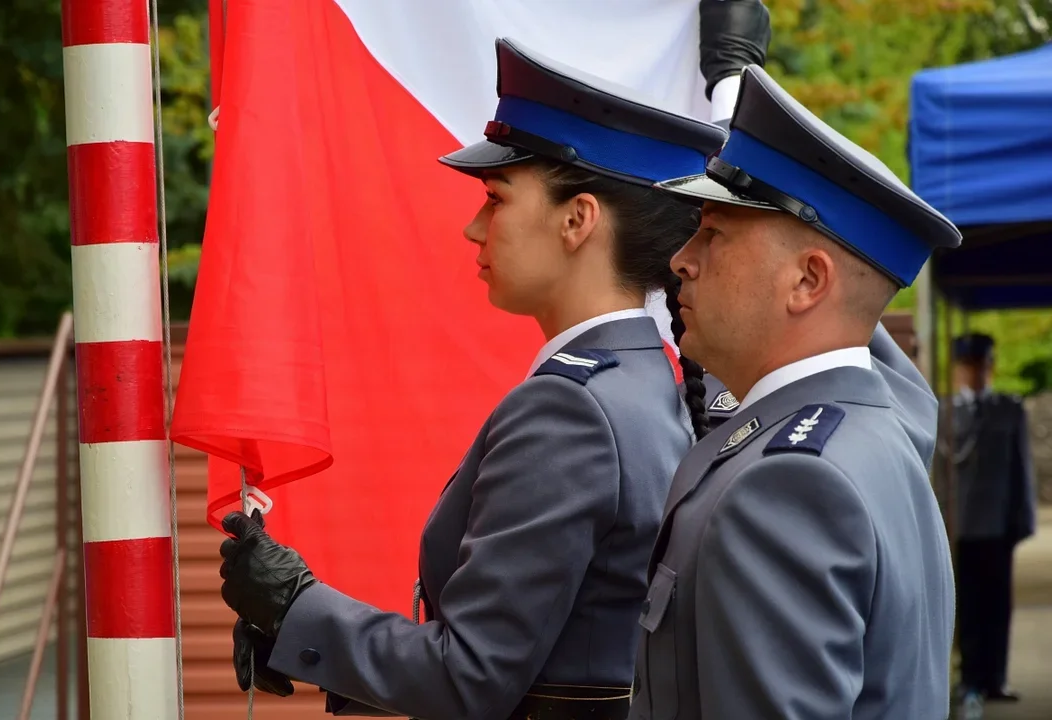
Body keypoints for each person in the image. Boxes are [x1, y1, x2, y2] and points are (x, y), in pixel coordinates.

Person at [214, 35, 757, 720]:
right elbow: (551, 670)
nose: (475, 228)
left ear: (577, 220)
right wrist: (304, 634)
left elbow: (472, 679)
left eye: (497, 199)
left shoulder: (572, 410)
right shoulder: (648, 379)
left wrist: (298, 607)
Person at [629, 64, 962, 720]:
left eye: (714, 234)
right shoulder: (881, 421)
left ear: (809, 283)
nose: (681, 259)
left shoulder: (787, 486)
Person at [949, 332, 1036, 703]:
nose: (977, 373)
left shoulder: (1009, 409)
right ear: (958, 369)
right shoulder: (944, 413)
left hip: (998, 526)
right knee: (967, 606)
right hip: (960, 527)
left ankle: (995, 677)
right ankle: (970, 677)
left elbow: (1022, 468)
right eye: (970, 366)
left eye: (983, 365)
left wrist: (1024, 520)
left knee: (998, 606)